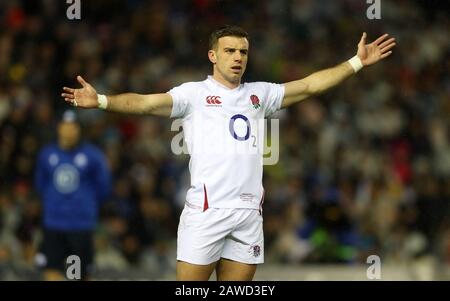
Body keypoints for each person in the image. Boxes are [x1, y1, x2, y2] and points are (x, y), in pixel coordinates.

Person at [61, 25, 396, 280]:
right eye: (230, 51)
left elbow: (309, 85)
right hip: (206, 211)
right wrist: (102, 100)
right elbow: (146, 104)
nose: (238, 57)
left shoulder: (260, 94)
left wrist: (356, 63)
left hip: (248, 213)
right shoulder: (193, 94)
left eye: (243, 52)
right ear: (213, 56)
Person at [34, 110, 112, 280]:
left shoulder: (93, 156)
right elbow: (40, 185)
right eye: (66, 126)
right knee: (51, 269)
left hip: (81, 225)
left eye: (74, 127)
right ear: (59, 128)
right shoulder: (47, 155)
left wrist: (83, 206)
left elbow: (103, 188)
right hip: (54, 224)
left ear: (79, 130)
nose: (70, 131)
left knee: (80, 273)